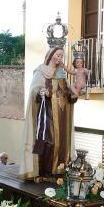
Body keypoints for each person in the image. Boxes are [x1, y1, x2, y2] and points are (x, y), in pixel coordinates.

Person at [19, 46, 76, 180]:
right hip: (47, 113)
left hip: (62, 115)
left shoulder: (61, 72)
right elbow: (34, 89)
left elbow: (67, 91)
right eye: (57, 55)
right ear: (51, 55)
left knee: (61, 142)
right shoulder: (41, 71)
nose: (59, 58)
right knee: (49, 141)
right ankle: (45, 172)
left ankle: (59, 170)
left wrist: (73, 95)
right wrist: (41, 91)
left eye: (61, 56)